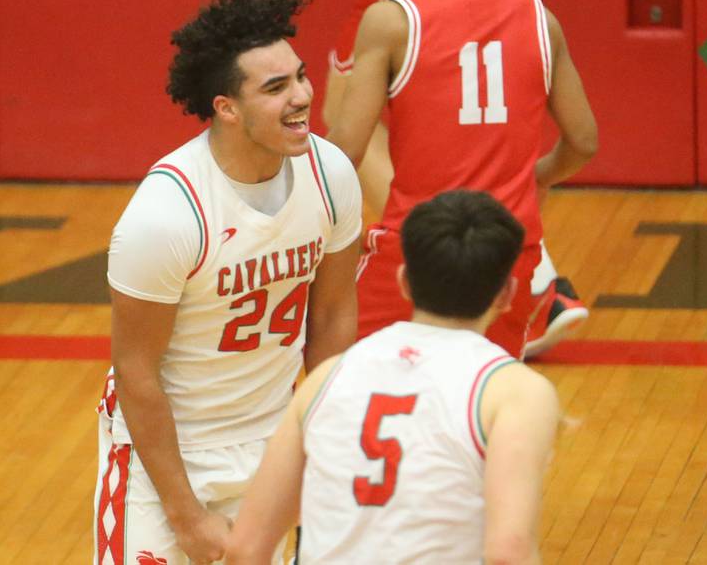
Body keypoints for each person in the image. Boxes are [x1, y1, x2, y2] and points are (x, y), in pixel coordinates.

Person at [93, 0, 362, 565]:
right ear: (227, 108)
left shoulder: (331, 174)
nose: (302, 98)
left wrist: (325, 440)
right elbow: (136, 372)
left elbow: (335, 314)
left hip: (274, 441)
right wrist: (185, 515)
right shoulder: (166, 214)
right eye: (275, 88)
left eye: (301, 77)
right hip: (168, 455)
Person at [224, 190, 560, 564]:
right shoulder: (516, 392)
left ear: (403, 282)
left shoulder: (327, 378)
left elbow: (246, 549)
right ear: (506, 294)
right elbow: (508, 551)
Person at [327, 0, 597, 359]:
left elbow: (344, 152)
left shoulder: (392, 20)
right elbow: (584, 141)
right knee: (477, 394)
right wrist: (539, 175)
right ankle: (542, 290)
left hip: (417, 249)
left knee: (338, 375)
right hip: (510, 252)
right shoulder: (540, 16)